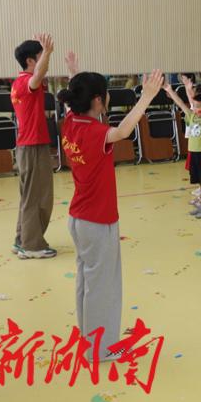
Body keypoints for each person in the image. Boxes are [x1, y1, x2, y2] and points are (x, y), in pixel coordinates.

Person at [58, 69, 164, 361]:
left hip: (78, 219)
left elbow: (80, 104)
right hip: (97, 221)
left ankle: (90, 342)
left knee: (87, 283)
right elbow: (123, 131)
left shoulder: (70, 122)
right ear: (97, 100)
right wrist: (146, 97)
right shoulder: (95, 133)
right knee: (102, 287)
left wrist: (74, 73)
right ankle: (100, 350)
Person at [12, 34, 77, 259]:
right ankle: (32, 245)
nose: (45, 61)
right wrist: (47, 52)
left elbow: (39, 75)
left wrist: (45, 53)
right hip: (32, 146)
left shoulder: (19, 82)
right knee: (38, 197)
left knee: (29, 196)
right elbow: (38, 75)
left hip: (28, 146)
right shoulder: (25, 82)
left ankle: (22, 240)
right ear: (30, 61)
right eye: (39, 57)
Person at [164, 83, 201, 218]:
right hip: (194, 154)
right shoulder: (191, 116)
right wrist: (170, 90)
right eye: (195, 106)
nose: (196, 109)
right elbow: (181, 104)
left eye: (199, 106)